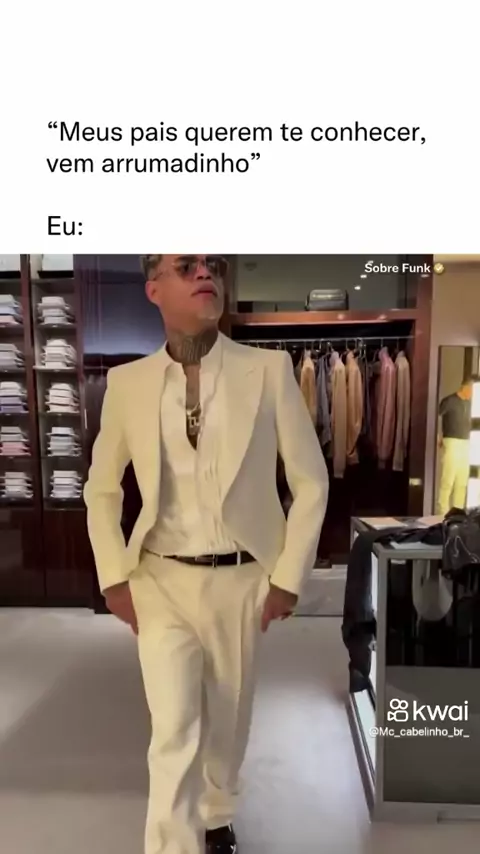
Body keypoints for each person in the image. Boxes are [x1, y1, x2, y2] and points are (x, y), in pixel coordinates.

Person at [84, 254, 329, 854]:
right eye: (187, 266)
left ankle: (217, 816)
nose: (206, 275)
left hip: (241, 578)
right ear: (154, 289)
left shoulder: (269, 370)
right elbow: (102, 489)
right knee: (172, 728)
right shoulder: (128, 383)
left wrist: (288, 577)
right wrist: (114, 577)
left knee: (229, 720)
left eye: (214, 265)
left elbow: (311, 482)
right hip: (159, 579)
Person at [437, 377, 473, 515]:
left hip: (466, 443)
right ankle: (442, 513)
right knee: (448, 480)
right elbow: (436, 417)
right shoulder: (449, 401)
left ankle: (457, 514)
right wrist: (438, 435)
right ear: (466, 387)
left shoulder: (470, 404)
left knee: (462, 482)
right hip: (451, 441)